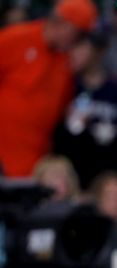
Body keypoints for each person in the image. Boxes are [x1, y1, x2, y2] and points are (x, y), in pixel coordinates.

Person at [0, 0, 98, 178]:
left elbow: (62, 111)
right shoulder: (16, 38)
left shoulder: (66, 62)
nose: (78, 41)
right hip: (4, 157)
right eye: (78, 34)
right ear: (62, 24)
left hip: (37, 165)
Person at [52, 31, 117, 196]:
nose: (74, 53)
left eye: (81, 47)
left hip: (109, 180)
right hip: (72, 181)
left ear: (98, 51)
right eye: (72, 47)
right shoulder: (65, 86)